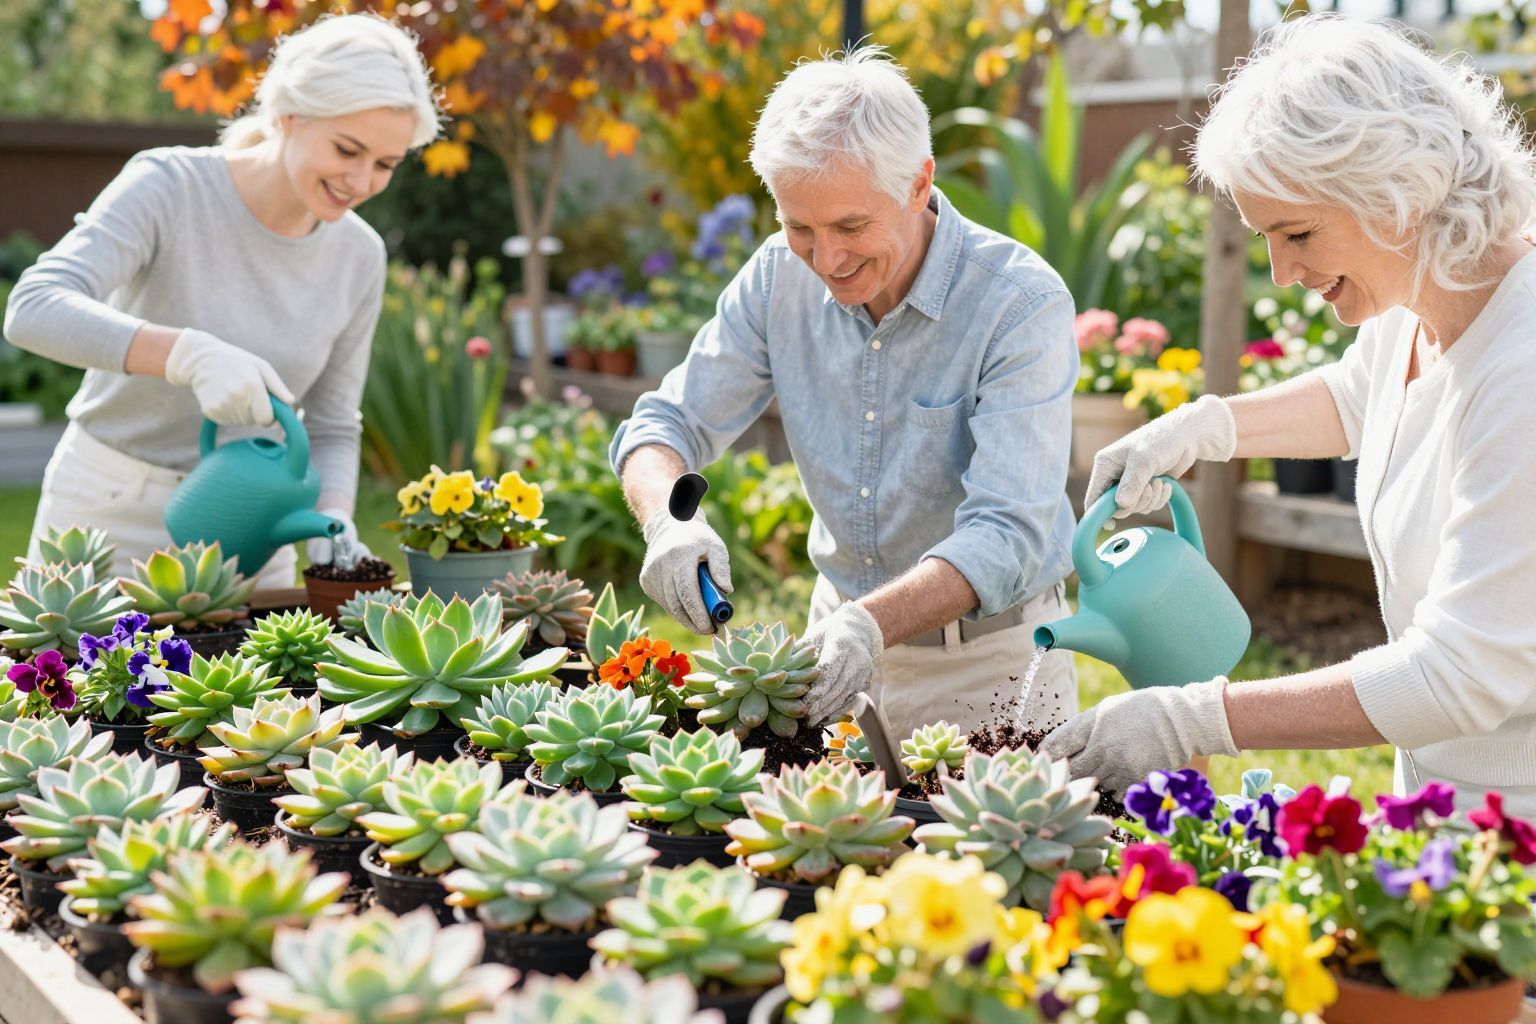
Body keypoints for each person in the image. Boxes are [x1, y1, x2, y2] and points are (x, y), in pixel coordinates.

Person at [1042, 14, 1536, 817]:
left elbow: (1460, 674)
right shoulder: (1415, 301)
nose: (1281, 271)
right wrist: (1202, 427)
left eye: (1298, 232)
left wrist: (1196, 716)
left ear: (1398, 192)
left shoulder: (1524, 366)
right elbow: (1358, 398)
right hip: (1446, 815)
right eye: (1266, 237)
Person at [610, 47, 1080, 743]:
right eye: (799, 227)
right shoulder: (776, 278)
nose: (826, 261)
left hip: (990, 667)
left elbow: (1007, 535)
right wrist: (669, 524)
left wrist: (868, 623)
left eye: (851, 227)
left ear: (920, 184)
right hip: (830, 647)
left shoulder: (1018, 304)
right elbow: (665, 423)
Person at [3, 13, 441, 586]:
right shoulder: (170, 186)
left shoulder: (359, 254)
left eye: (384, 164)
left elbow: (334, 423)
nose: (361, 183)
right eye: (347, 150)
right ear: (289, 115)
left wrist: (330, 513)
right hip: (108, 509)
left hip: (256, 528)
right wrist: (186, 354)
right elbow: (34, 306)